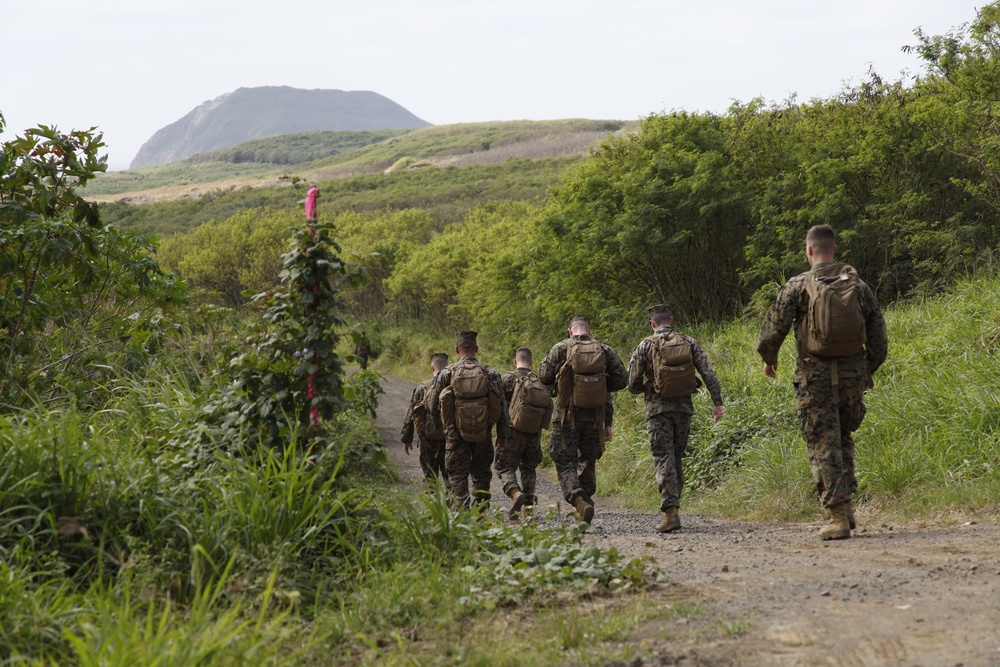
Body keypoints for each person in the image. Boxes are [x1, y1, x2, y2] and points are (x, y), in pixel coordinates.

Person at [757, 224, 888, 540]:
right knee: (842, 437)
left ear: (809, 250)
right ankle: (848, 506)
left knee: (822, 441)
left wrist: (769, 358)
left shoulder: (798, 285)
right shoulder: (858, 285)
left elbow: (773, 330)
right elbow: (879, 337)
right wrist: (864, 368)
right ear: (835, 250)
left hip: (814, 377)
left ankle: (837, 515)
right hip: (852, 377)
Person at [626, 304, 724, 533]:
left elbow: (631, 384)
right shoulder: (689, 342)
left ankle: (671, 513)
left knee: (663, 458)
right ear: (671, 320)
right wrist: (717, 403)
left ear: (653, 324)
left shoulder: (645, 345)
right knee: (676, 457)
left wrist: (649, 387)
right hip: (683, 410)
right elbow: (708, 373)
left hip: (657, 411)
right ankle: (675, 507)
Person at [538, 315, 628, 524]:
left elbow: (543, 376)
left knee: (564, 459)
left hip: (566, 417)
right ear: (589, 330)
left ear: (570, 331)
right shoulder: (604, 350)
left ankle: (579, 500)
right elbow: (622, 379)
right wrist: (599, 391)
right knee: (588, 460)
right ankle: (586, 503)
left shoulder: (560, 348)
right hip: (595, 416)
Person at [425, 331, 510, 509]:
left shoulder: (447, 373)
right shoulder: (490, 372)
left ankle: (462, 517)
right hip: (483, 435)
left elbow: (433, 403)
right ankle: (481, 515)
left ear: (457, 350)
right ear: (476, 349)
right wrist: (502, 434)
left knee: (457, 476)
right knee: (482, 476)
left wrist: (442, 427)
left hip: (455, 435)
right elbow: (502, 405)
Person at [497, 347, 552, 520]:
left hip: (512, 432)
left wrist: (500, 432)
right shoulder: (540, 381)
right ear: (531, 362)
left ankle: (514, 492)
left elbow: (499, 408)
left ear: (515, 361)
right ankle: (529, 508)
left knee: (504, 466)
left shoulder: (507, 379)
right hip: (533, 434)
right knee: (528, 468)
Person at [400, 352, 449, 486]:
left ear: (432, 368)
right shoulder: (452, 386)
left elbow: (411, 414)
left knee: (429, 477)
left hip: (428, 440)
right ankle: (454, 504)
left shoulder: (422, 388)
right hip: (450, 439)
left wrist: (407, 438)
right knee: (450, 477)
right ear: (447, 367)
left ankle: (432, 504)